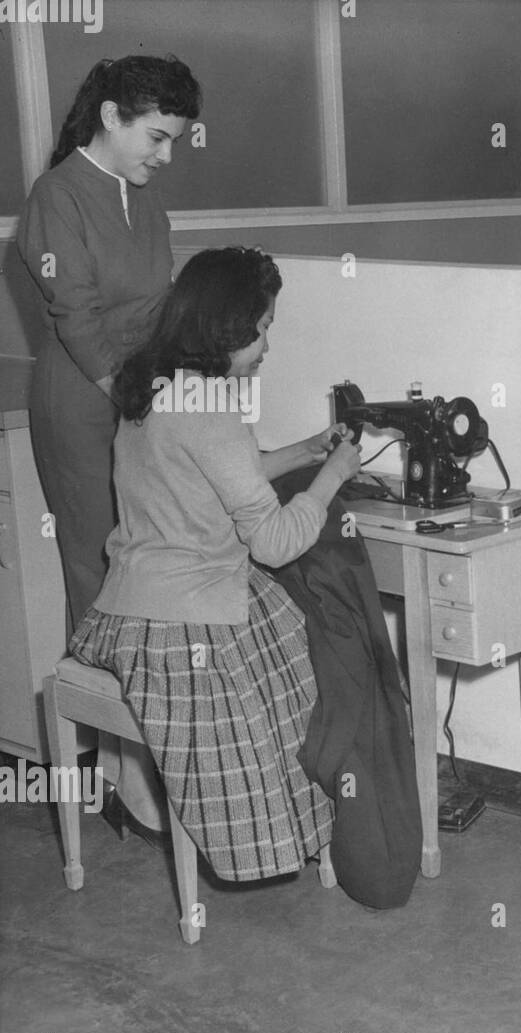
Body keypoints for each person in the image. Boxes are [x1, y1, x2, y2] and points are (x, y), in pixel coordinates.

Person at [69, 247, 364, 881]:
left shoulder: (155, 388)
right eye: (260, 330)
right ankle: (300, 836)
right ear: (226, 327)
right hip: (183, 630)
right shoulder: (214, 408)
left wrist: (304, 450)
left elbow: (217, 474)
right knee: (311, 667)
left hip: (122, 614)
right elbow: (277, 542)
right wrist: (332, 476)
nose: (265, 346)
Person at [17, 55, 201, 839]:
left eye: (175, 142)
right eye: (156, 137)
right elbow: (80, 322)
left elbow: (158, 313)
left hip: (134, 401)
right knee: (96, 569)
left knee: (146, 559)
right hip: (81, 406)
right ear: (112, 119)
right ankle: (122, 770)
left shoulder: (147, 205)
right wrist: (141, 404)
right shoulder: (56, 197)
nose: (166, 156)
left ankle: (146, 750)